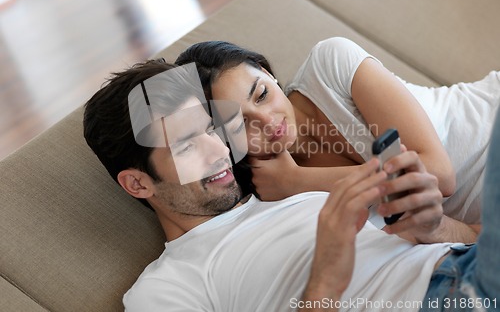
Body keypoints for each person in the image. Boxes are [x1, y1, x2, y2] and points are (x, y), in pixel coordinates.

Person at [83, 59, 500, 311]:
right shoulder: (168, 286)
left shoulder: (297, 192)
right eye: (187, 145)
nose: (218, 151)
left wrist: (435, 229)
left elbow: (471, 236)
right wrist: (324, 282)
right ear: (137, 183)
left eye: (212, 129)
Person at [174, 37, 500, 231]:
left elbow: (440, 176)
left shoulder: (330, 64)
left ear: (269, 74)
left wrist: (297, 181)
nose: (266, 120)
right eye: (239, 124)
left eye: (261, 94)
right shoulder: (270, 198)